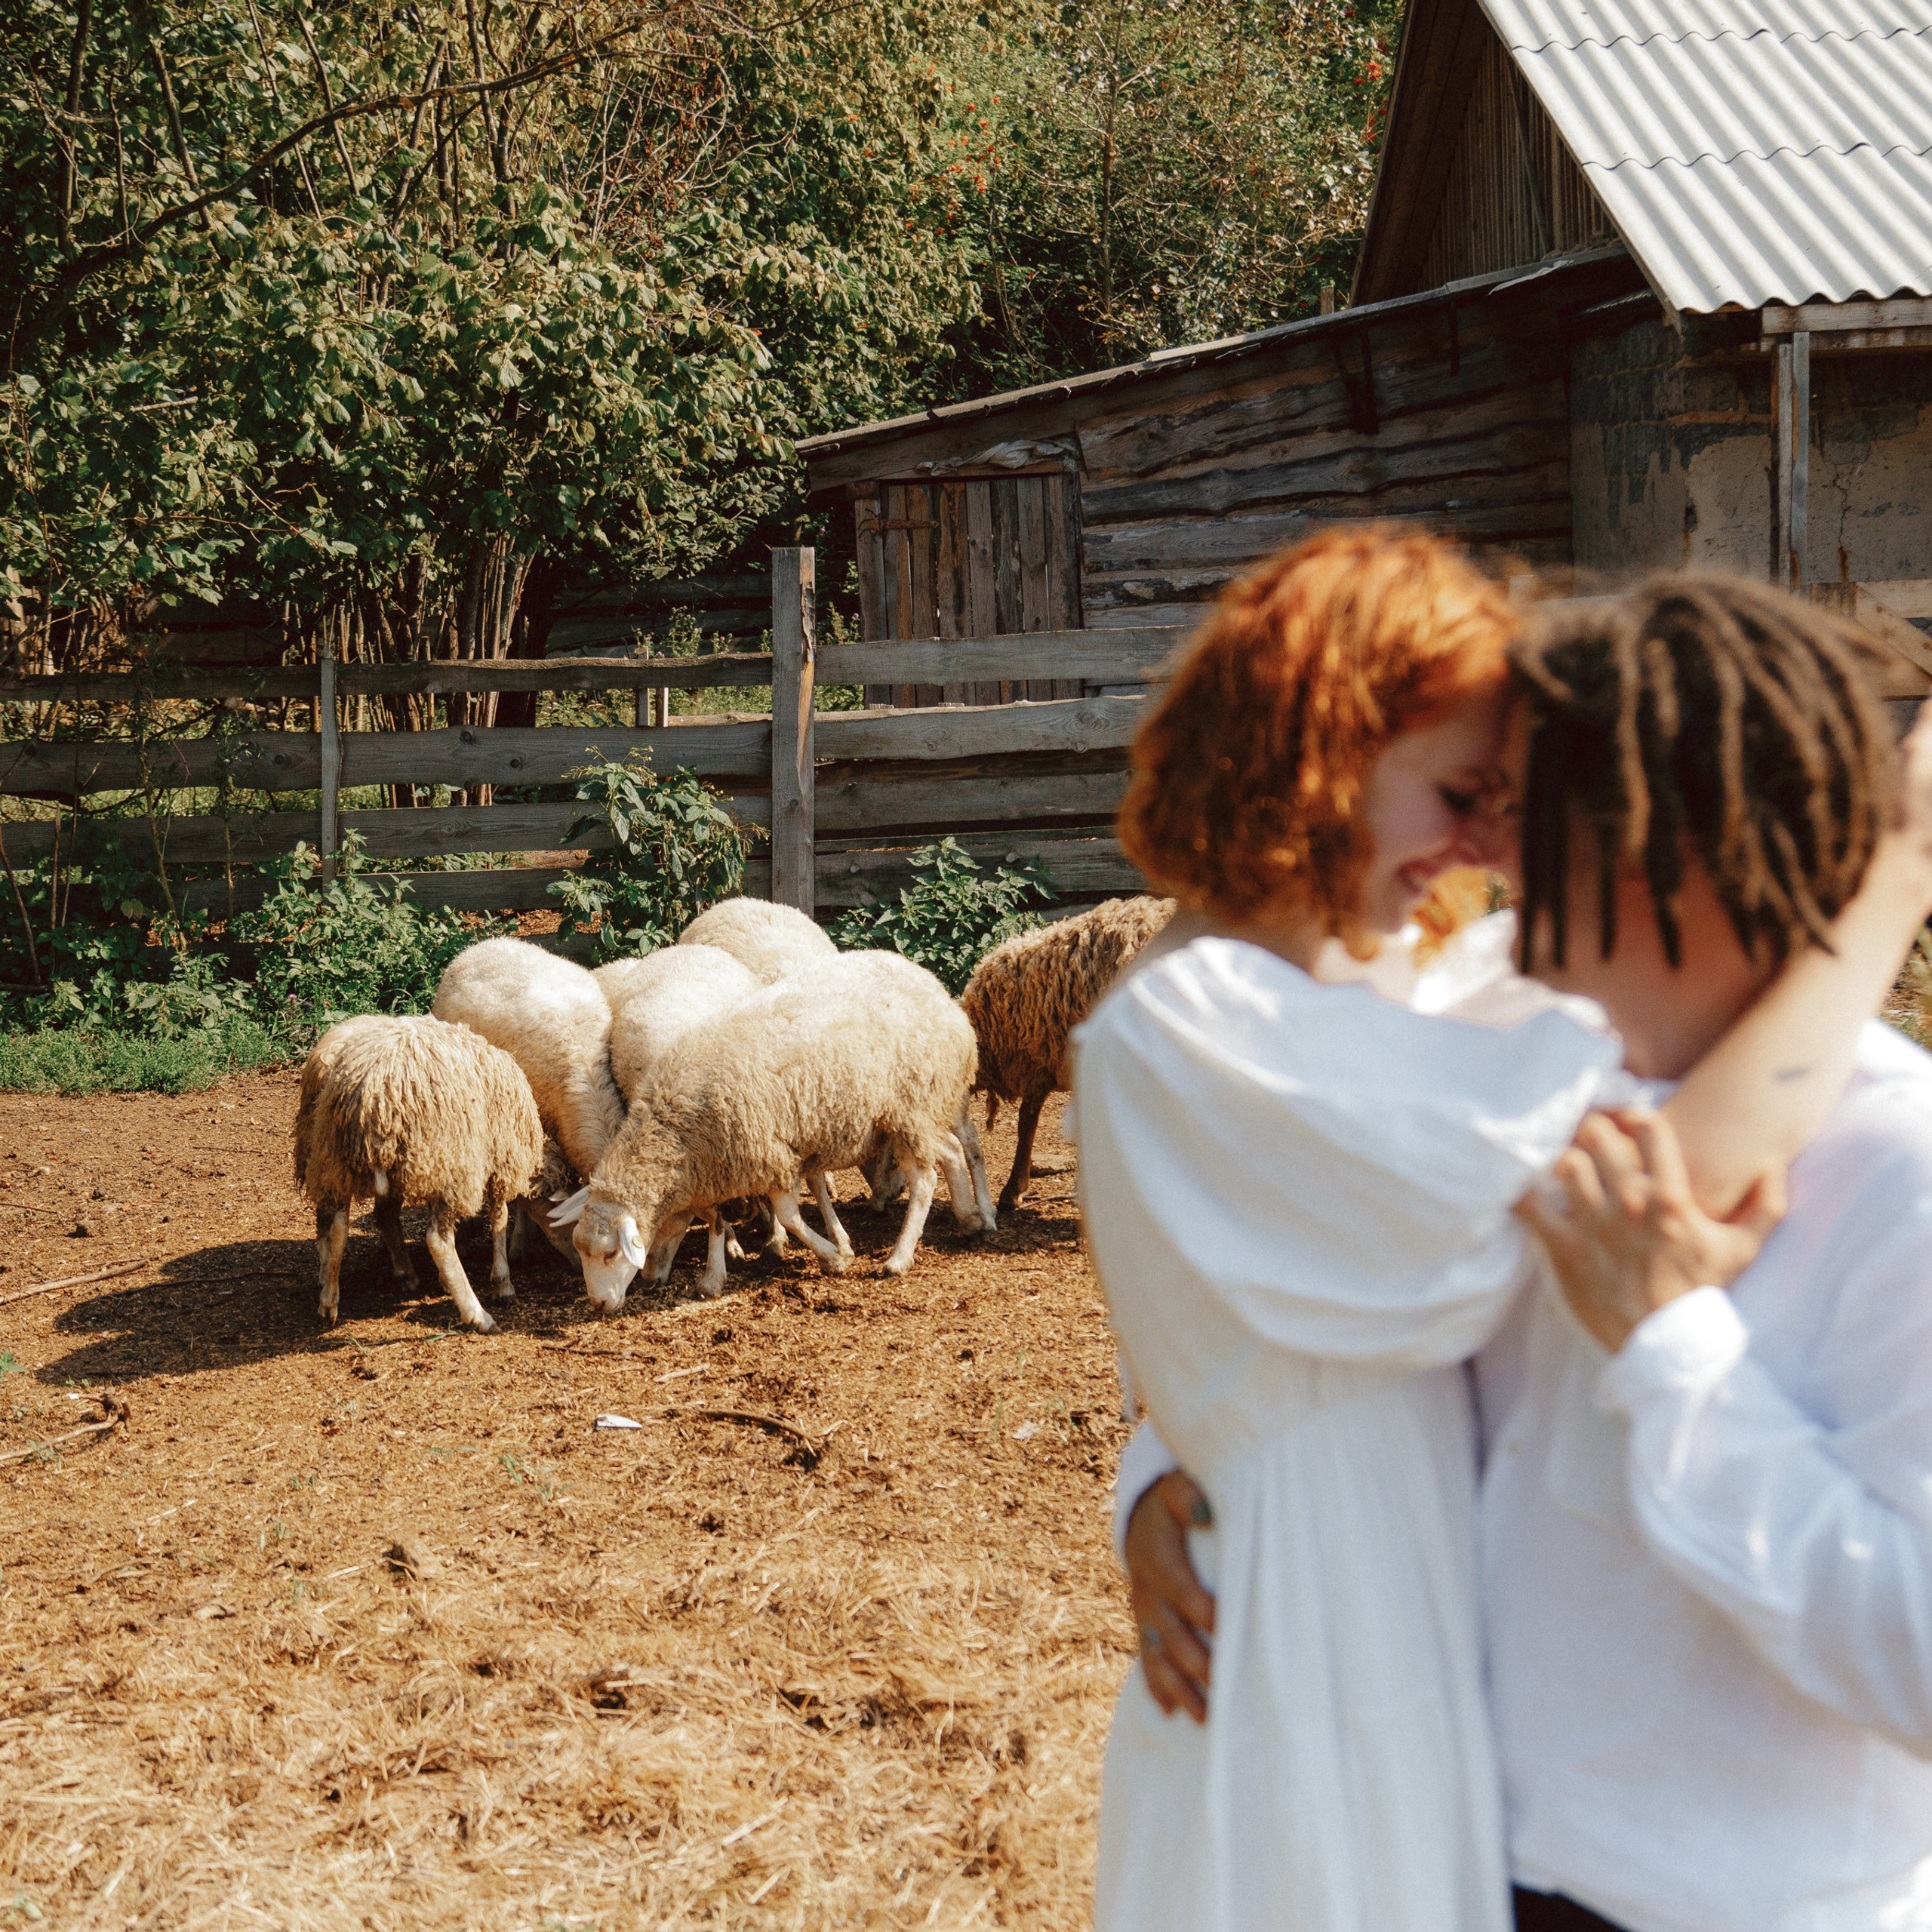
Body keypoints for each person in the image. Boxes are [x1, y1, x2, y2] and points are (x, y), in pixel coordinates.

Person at [1079, 541, 1932, 1932]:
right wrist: (1173, 1467)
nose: (1488, 857)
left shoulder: (1881, 1158)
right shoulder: (1426, 1062)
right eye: (1470, 797)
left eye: (1512, 808)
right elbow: (1369, 1283)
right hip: (1392, 1744)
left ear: (1657, 840)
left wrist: (1675, 1352)